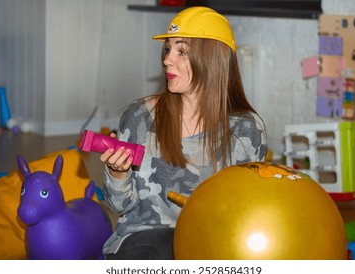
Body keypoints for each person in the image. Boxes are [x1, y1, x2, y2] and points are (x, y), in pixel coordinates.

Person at [100, 6, 268, 260]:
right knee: (174, 244)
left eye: (181, 51)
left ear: (212, 59)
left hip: (209, 244)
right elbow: (120, 206)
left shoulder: (247, 129)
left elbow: (248, 211)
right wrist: (118, 173)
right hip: (143, 243)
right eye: (168, 49)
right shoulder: (139, 118)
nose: (167, 59)